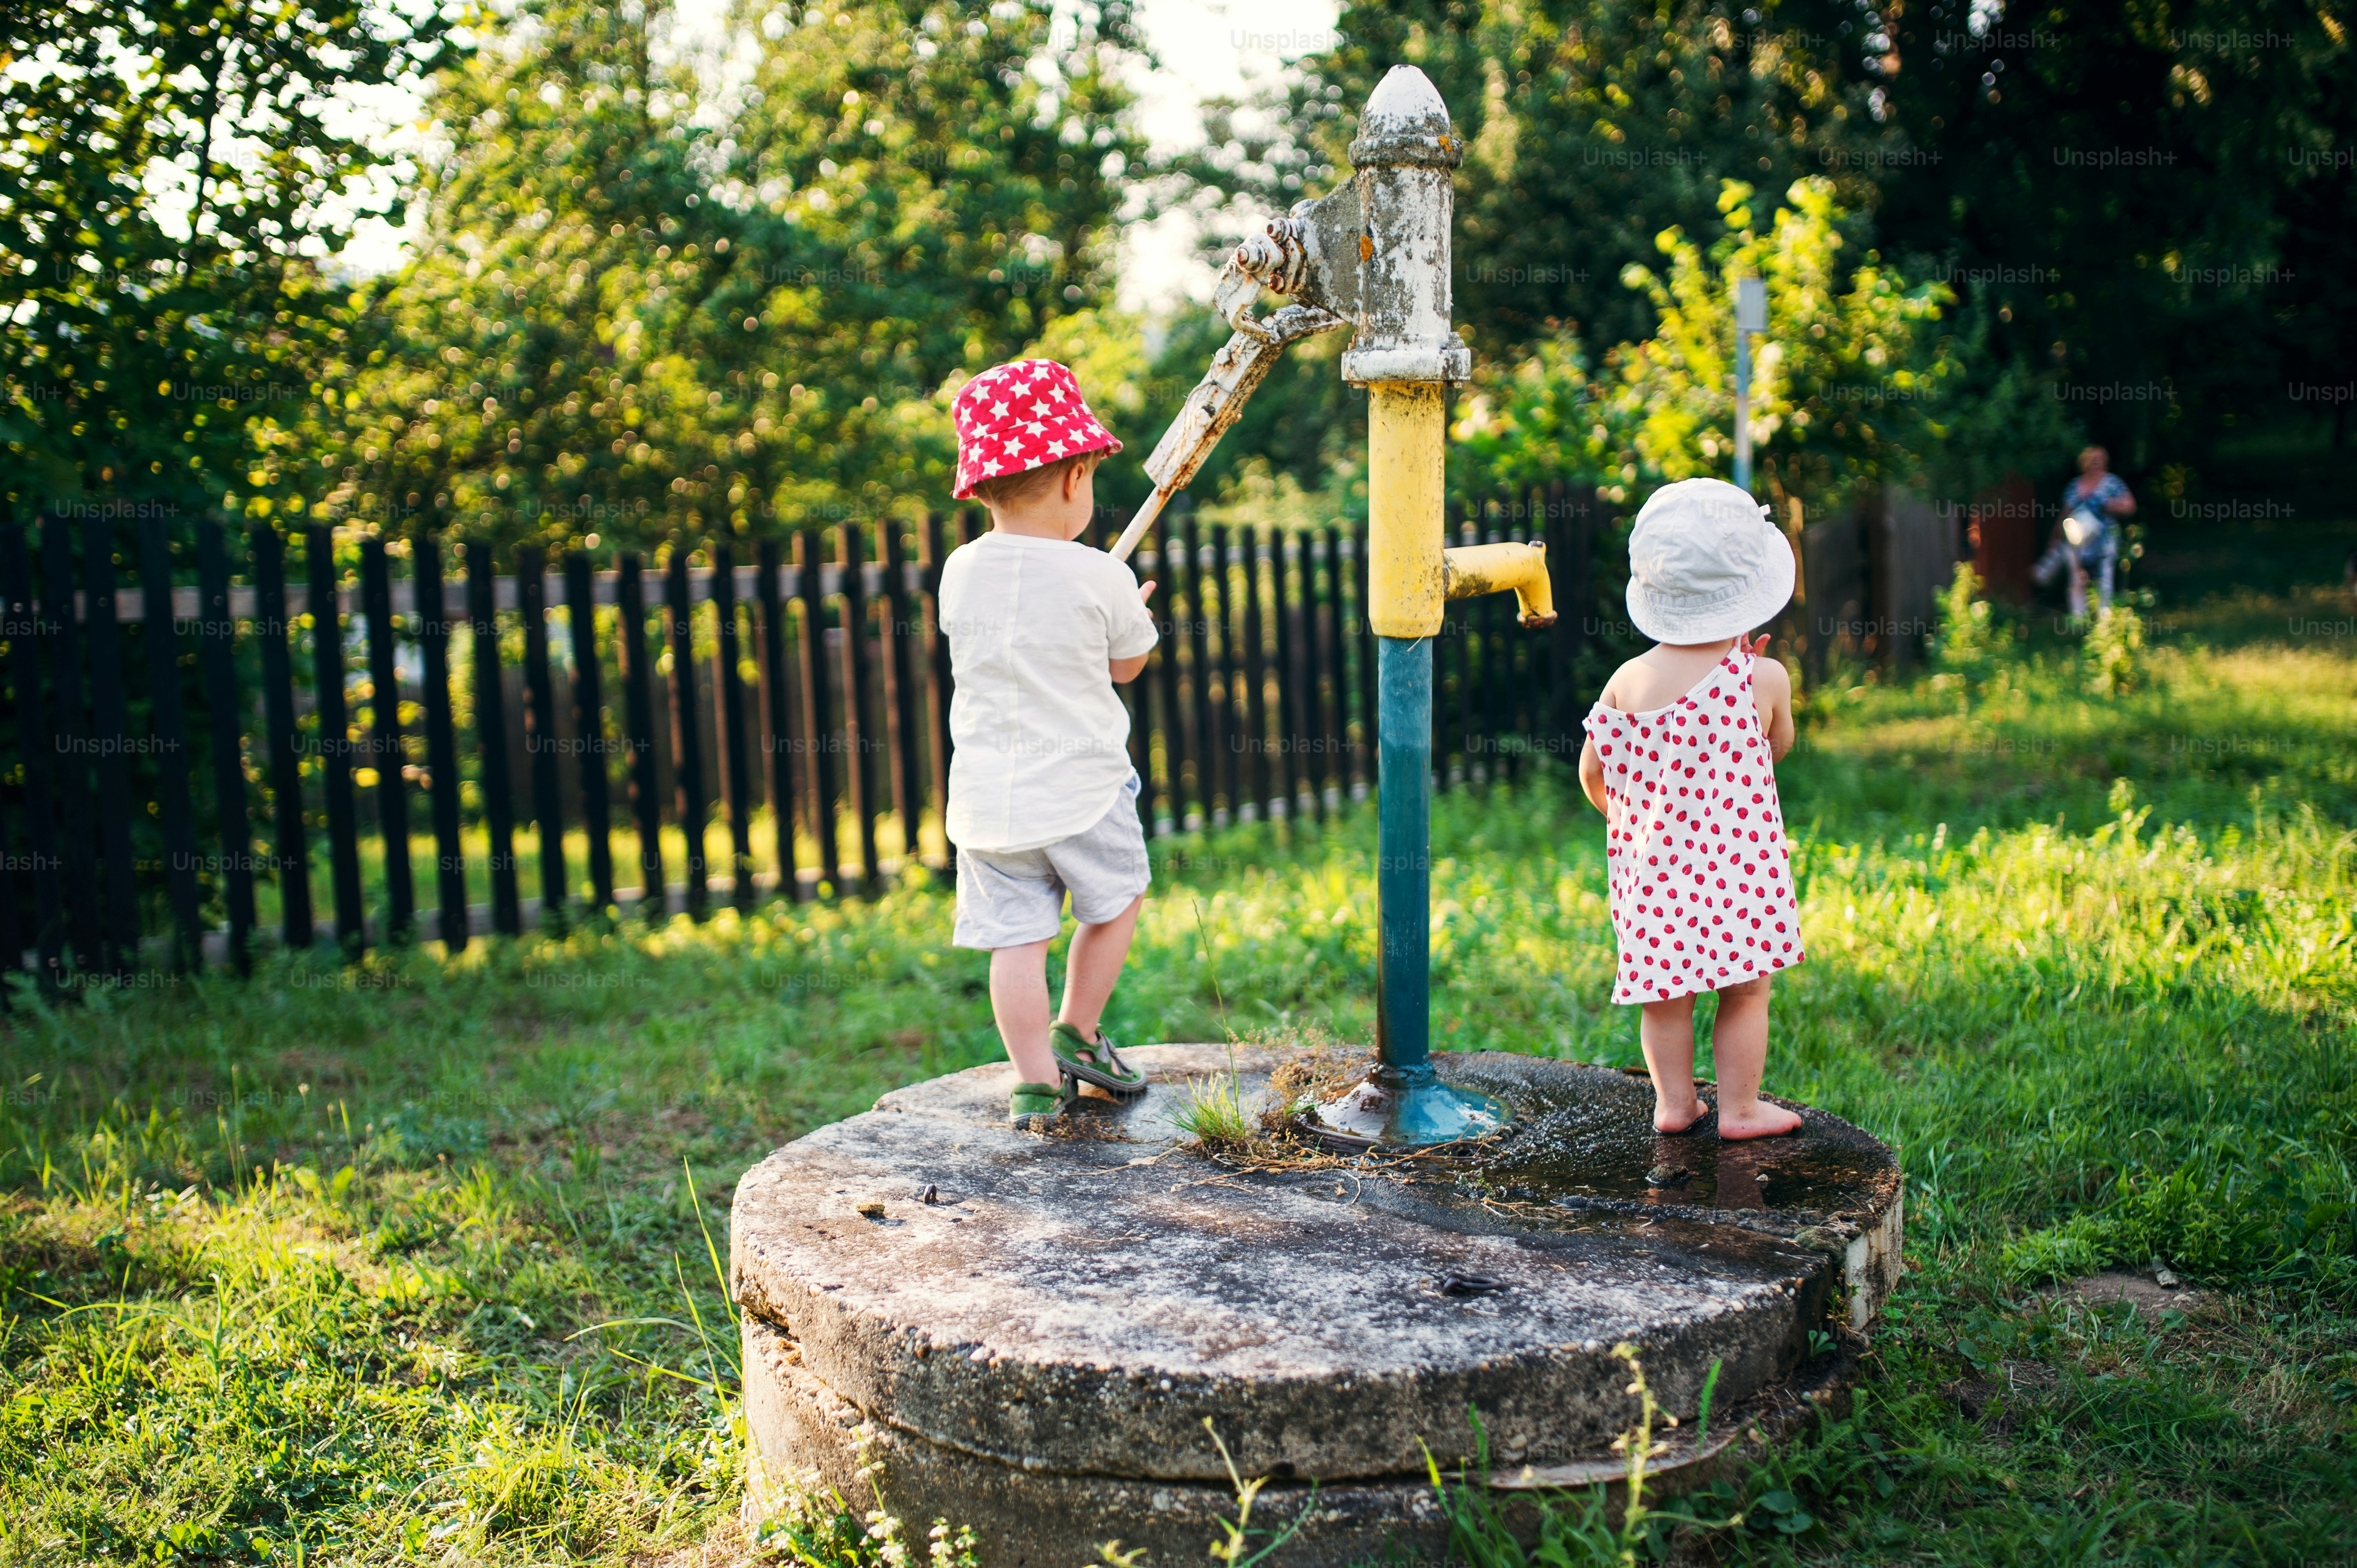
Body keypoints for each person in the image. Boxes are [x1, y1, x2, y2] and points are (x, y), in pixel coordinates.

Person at [937, 359, 1161, 1127]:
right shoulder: (1098, 574)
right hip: (1081, 790)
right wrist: (1126, 606)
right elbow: (1124, 665)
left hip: (986, 805)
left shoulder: (959, 570)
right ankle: (1081, 1027)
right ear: (1074, 480)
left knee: (1016, 940)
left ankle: (1033, 1083)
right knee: (1116, 897)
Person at [1577, 478, 1806, 1139]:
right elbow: (1774, 747)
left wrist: (1626, 819)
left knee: (1665, 997)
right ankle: (1739, 1108)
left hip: (1653, 873)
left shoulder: (1625, 681)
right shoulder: (1761, 678)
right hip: (1739, 867)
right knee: (1745, 988)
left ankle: (1675, 1104)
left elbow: (1595, 771)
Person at [2032, 446, 2136, 617]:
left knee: (2105, 579)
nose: (2096, 464)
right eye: (2092, 460)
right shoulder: (2074, 486)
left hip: (2104, 540)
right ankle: (2079, 619)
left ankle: (2105, 620)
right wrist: (2055, 538)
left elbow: (2130, 506)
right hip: (2077, 541)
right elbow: (2064, 515)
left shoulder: (2112, 483)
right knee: (2076, 578)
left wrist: (2109, 504)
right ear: (2084, 463)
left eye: (2099, 460)